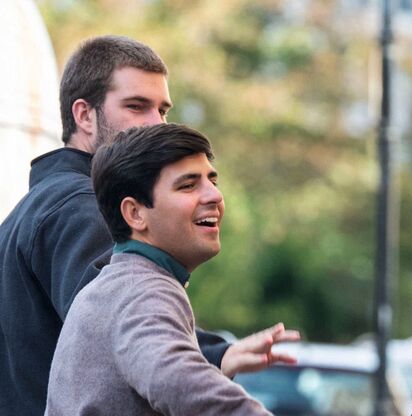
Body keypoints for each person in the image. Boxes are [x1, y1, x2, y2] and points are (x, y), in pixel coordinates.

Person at [0, 35, 298, 415]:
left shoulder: (34, 206)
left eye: (163, 110)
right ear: (83, 115)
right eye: (137, 106)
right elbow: (135, 317)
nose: (155, 123)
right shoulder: (79, 206)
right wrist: (206, 359)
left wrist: (215, 354)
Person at [46, 123, 271, 415]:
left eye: (212, 181)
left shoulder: (114, 284)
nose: (214, 196)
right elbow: (178, 381)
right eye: (188, 185)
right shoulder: (145, 291)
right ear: (135, 213)